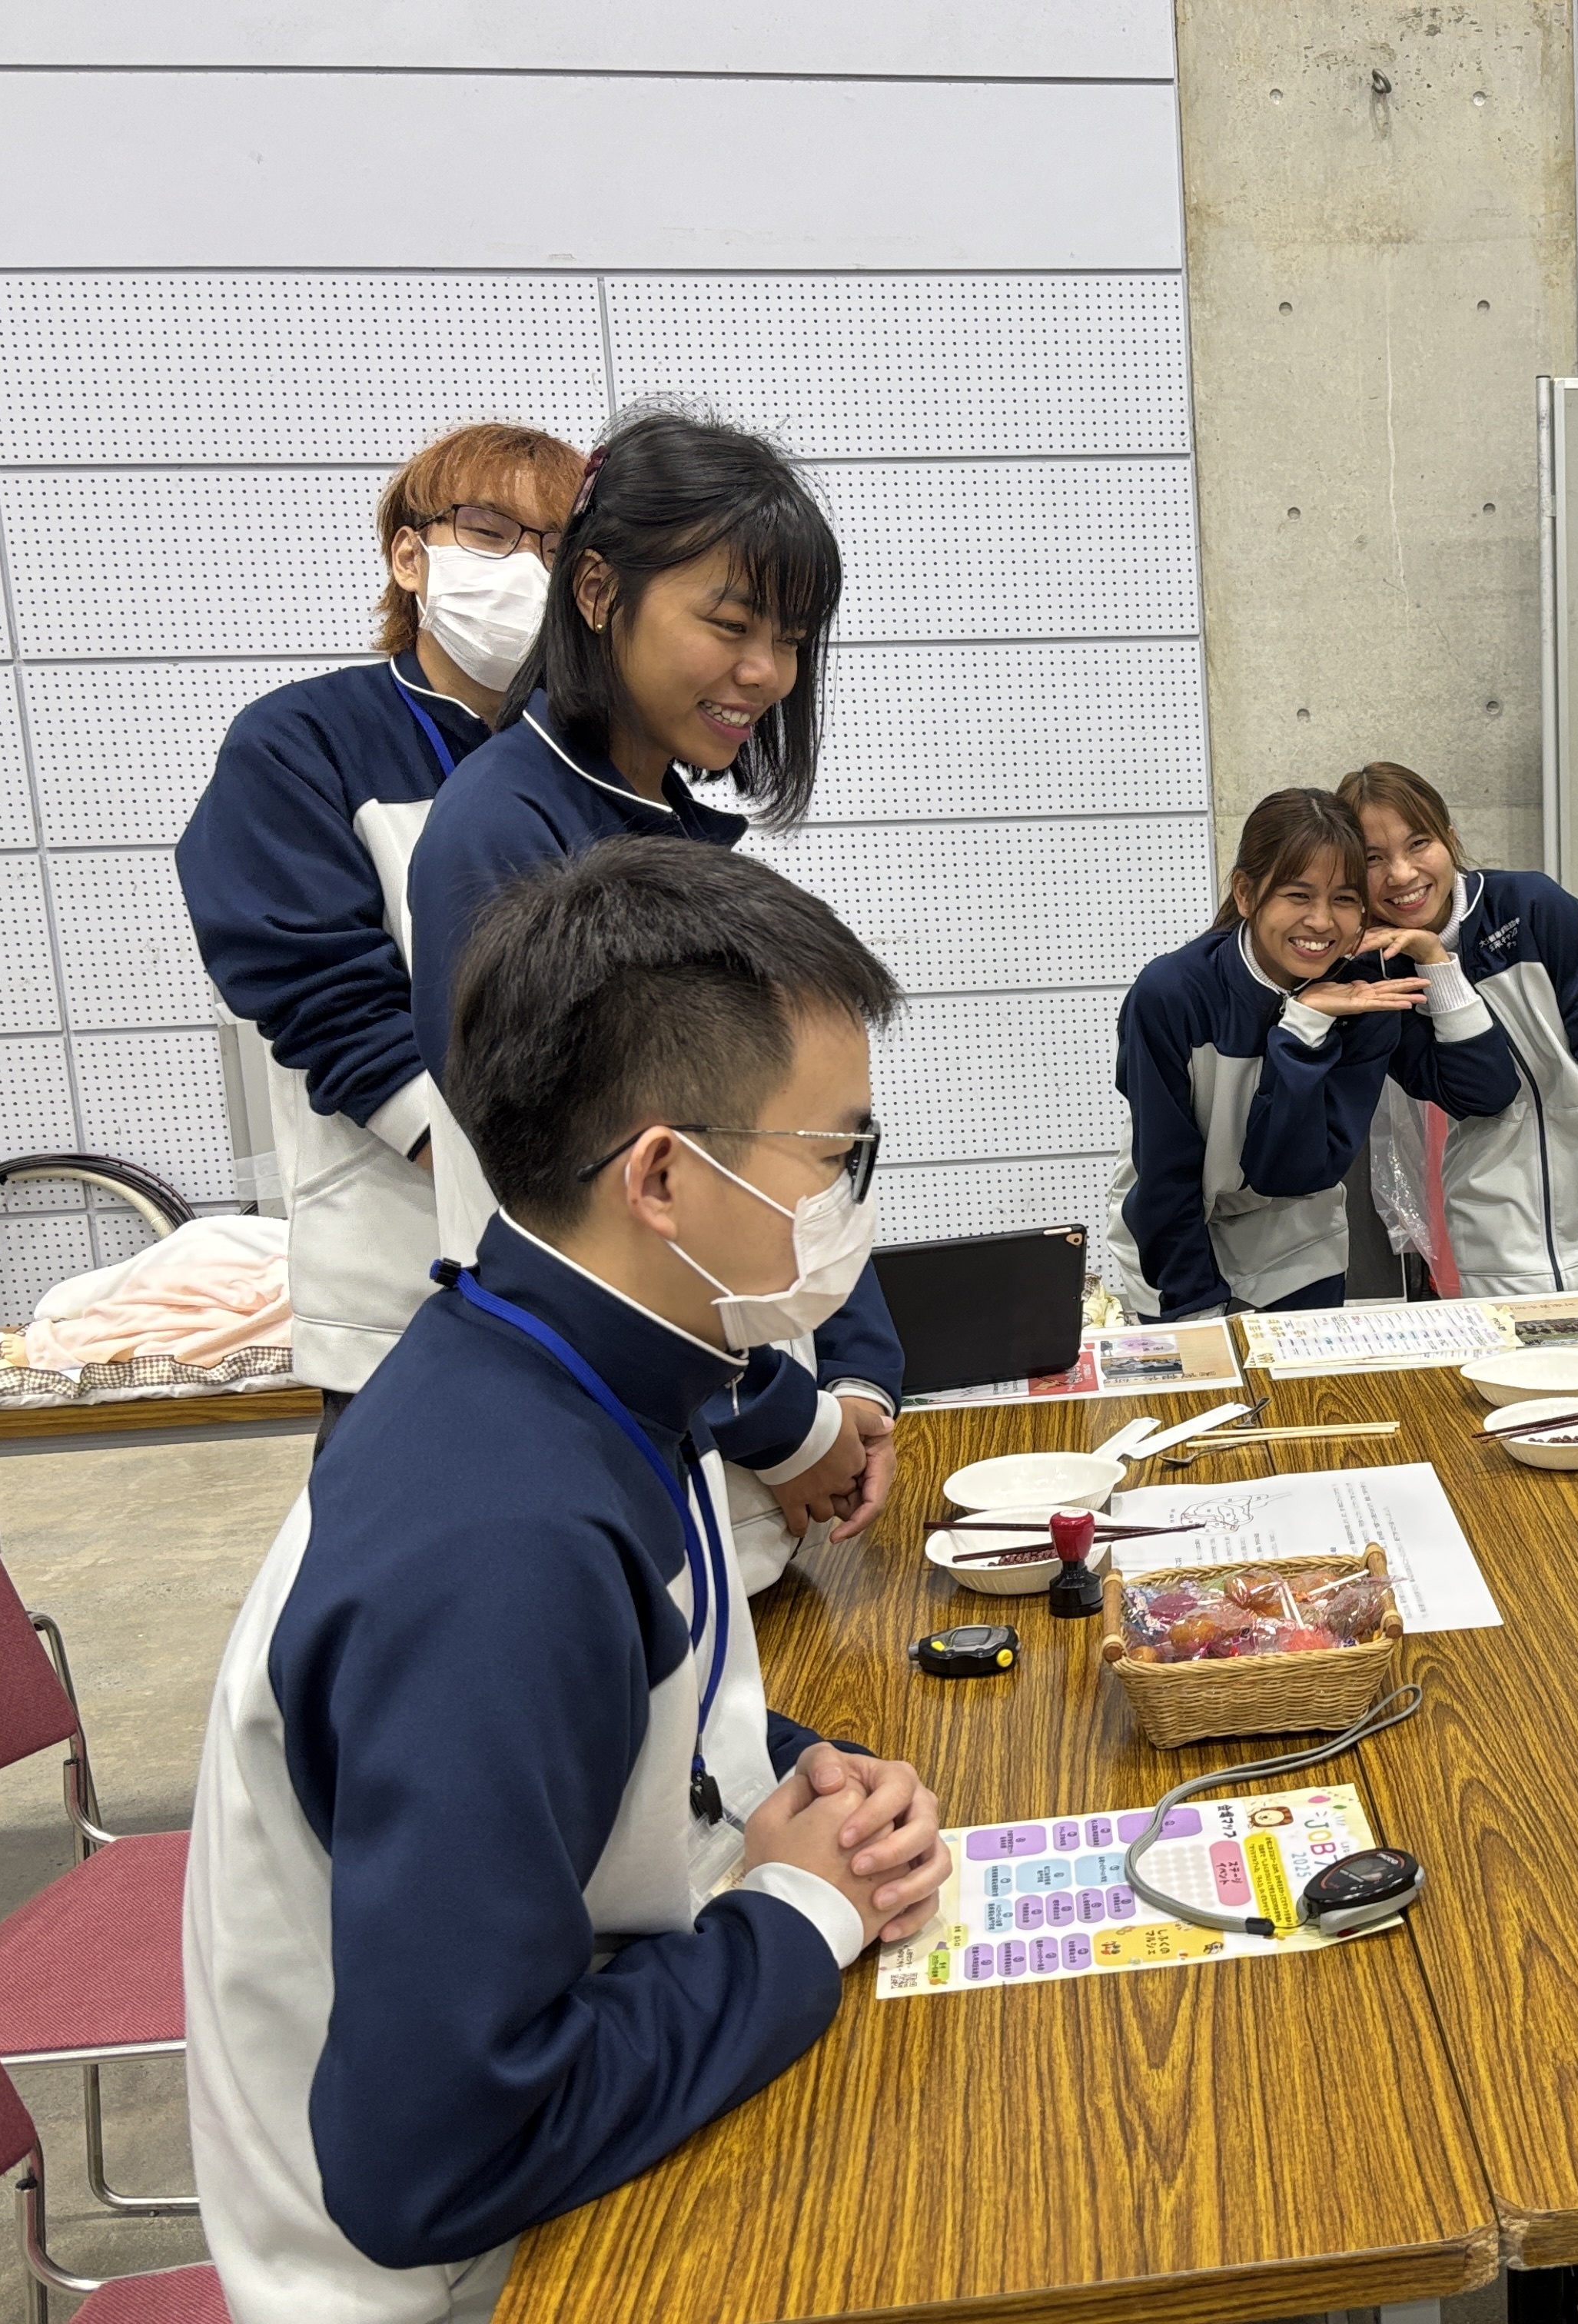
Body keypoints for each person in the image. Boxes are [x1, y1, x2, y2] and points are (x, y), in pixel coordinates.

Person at [184, 837, 950, 2324]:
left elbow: (637, 1708)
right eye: (834, 1154)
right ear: (663, 1174)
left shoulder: (579, 1364)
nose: (851, 1199)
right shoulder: (500, 1542)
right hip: (473, 2275)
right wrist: (804, 1908)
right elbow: (440, 2154)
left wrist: (802, 1772)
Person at [405, 408, 900, 1587]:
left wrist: (860, 1379)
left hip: (740, 1451)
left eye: (790, 640)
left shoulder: (674, 832)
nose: (766, 673)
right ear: (595, 591)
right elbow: (590, 1220)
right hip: (623, 1444)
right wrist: (791, 1425)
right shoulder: (501, 835)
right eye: (730, 626)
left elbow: (799, 1148)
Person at [175, 422, 583, 1433]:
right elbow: (323, 994)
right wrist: (539, 1205)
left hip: (613, 1297)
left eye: (558, 546)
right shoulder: (303, 742)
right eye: (490, 532)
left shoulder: (588, 754)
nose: (526, 569)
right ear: (410, 555)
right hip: (402, 1295)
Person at [1103, 788, 1517, 1318]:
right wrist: (1196, 1308)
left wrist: (1430, 963)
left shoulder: (1365, 996)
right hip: (1173, 1247)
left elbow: (1484, 1093)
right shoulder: (1174, 993)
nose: (1322, 922)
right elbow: (1166, 1172)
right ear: (1246, 894)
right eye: (1298, 896)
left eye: (1344, 899)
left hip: (1298, 1245)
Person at [1337, 761, 1578, 1338]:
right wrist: (1436, 964)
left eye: (1418, 843)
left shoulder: (1530, 905)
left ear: (1449, 838)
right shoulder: (1375, 975)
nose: (1401, 874)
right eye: (1373, 859)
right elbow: (1484, 1095)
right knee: (1518, 1391)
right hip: (1497, 1243)